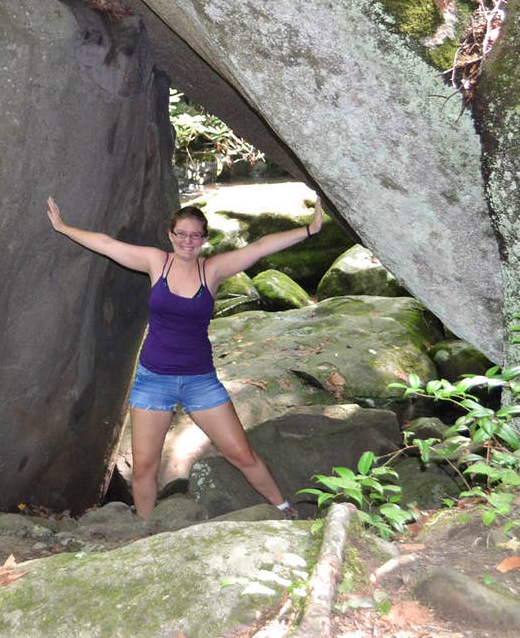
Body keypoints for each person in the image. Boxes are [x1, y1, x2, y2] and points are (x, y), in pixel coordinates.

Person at [46, 194, 323, 520]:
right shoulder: (156, 262)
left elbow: (259, 247)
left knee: (241, 453)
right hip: (153, 381)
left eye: (195, 235)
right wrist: (64, 228)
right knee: (144, 467)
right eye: (181, 234)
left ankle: (286, 509)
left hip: (199, 381)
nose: (188, 241)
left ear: (204, 239)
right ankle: (145, 533)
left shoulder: (213, 270)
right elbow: (106, 244)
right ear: (171, 235)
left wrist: (310, 229)